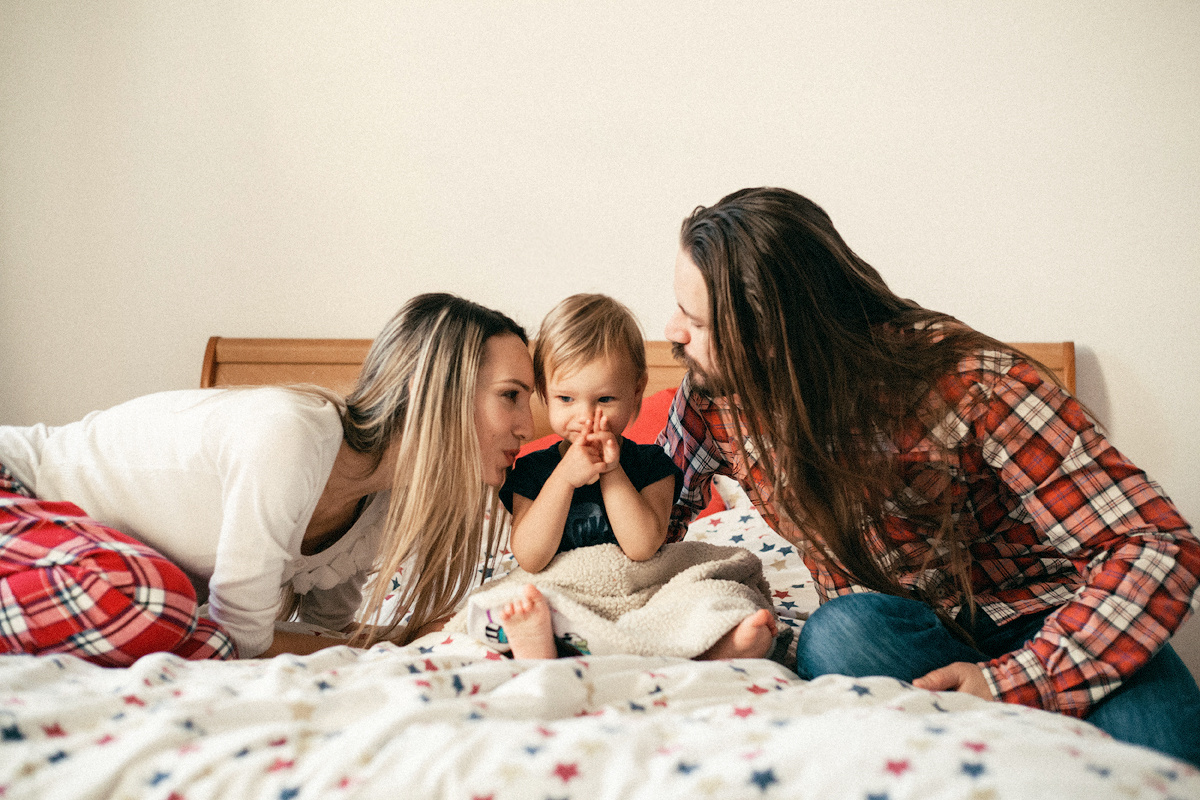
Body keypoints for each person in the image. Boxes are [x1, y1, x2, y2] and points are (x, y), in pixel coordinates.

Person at [658, 187, 1200, 764]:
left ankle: (1000, 732)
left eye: (696, 320)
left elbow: (1155, 544)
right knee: (840, 634)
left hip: (1048, 617)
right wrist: (578, 467)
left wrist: (1013, 682)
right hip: (895, 636)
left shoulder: (973, 381)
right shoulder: (713, 399)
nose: (672, 331)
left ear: (774, 335)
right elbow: (645, 527)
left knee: (1162, 762)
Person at [0, 293, 536, 664]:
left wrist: (397, 643)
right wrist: (388, 649)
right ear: (432, 389)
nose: (527, 425)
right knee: (161, 601)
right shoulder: (292, 434)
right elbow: (241, 640)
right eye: (510, 395)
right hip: (18, 488)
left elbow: (323, 639)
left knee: (172, 614)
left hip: (59, 553)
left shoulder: (380, 503)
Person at [489, 293, 776, 660]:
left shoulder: (653, 464)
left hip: (642, 595)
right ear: (543, 392)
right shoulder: (532, 470)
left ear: (636, 392)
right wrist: (563, 479)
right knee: (515, 597)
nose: (586, 416)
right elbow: (530, 556)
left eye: (605, 399)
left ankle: (714, 646)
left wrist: (611, 472)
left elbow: (642, 548)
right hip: (566, 593)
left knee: (707, 590)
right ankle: (539, 643)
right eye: (566, 399)